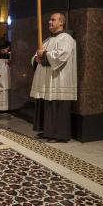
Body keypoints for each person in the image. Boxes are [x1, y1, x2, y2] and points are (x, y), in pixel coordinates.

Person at [30, 12, 77, 143]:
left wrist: (43, 55)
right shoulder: (48, 39)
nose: (50, 22)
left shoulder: (66, 38)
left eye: (53, 20)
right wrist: (36, 58)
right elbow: (36, 55)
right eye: (50, 20)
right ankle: (47, 131)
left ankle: (58, 134)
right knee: (47, 105)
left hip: (59, 79)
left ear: (61, 22)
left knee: (57, 106)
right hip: (48, 80)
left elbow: (61, 55)